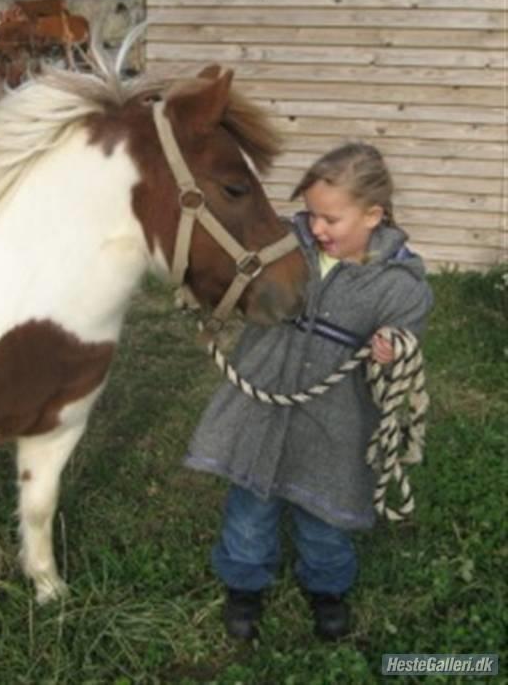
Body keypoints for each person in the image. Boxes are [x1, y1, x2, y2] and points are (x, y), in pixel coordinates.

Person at [185, 143, 433, 642]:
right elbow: (236, 269)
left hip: (335, 420)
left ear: (373, 215)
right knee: (250, 508)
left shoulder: (401, 285)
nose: (317, 228)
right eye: (312, 215)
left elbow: (407, 339)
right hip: (263, 399)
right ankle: (245, 585)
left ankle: (327, 589)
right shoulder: (285, 248)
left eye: (331, 219)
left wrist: (392, 348)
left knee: (324, 516)